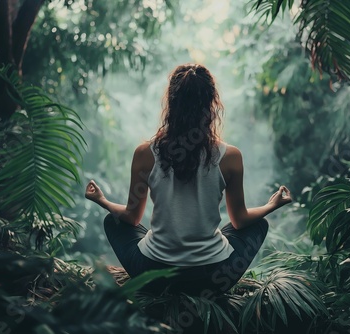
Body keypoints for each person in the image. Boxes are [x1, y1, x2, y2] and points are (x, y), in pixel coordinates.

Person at [85, 63, 292, 295]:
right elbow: (240, 221)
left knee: (112, 221)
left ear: (171, 103)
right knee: (258, 224)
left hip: (153, 274)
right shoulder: (230, 157)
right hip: (213, 277)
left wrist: (102, 200)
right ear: (211, 104)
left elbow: (132, 218)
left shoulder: (145, 153)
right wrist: (271, 205)